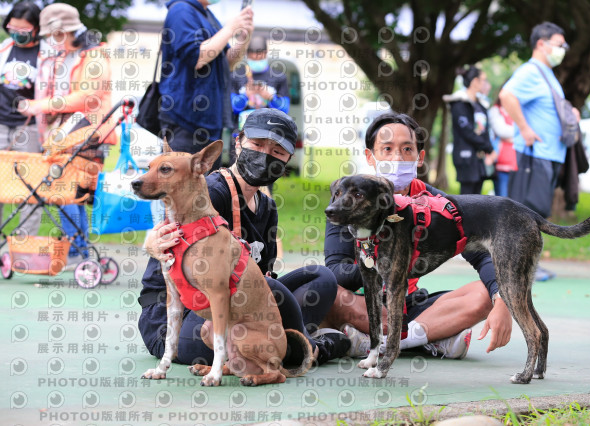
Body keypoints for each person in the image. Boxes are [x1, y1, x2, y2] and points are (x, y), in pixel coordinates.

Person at [139, 109, 350, 367]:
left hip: (232, 312)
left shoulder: (267, 207)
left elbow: (260, 282)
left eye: (277, 151)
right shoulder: (212, 194)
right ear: (238, 143)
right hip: (177, 320)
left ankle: (284, 341)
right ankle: (310, 347)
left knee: (321, 277)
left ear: (287, 160)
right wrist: (151, 242)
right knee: (265, 287)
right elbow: (163, 254)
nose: (264, 155)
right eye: (257, 144)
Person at [323, 112, 513, 359]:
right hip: (365, 304)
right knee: (328, 289)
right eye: (387, 149)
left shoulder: (436, 203)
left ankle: (393, 342)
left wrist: (502, 299)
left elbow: (481, 255)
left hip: (411, 305)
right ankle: (429, 338)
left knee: (484, 293)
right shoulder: (345, 198)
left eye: (407, 149)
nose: (397, 158)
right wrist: (388, 268)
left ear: (420, 157)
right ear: (370, 156)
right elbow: (336, 269)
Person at [19, 3, 116, 263]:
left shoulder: (95, 55)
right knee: (69, 194)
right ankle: (79, 251)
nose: (51, 41)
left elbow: (87, 95)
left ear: (68, 32)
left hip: (90, 134)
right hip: (69, 135)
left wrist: (40, 105)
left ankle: (76, 251)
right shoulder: (65, 56)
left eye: (54, 35)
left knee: (67, 192)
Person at [499, 21, 575, 281]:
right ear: (541, 44)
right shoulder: (531, 71)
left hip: (549, 154)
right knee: (526, 213)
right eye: (559, 44)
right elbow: (507, 95)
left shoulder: (546, 73)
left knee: (537, 212)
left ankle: (527, 265)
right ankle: (518, 268)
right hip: (536, 153)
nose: (563, 49)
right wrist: (525, 129)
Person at [158, 0, 253, 166]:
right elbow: (198, 57)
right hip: (185, 120)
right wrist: (230, 28)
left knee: (206, 188)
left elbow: (228, 62)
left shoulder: (206, 15)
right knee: (179, 186)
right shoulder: (182, 10)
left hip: (209, 123)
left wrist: (244, 37)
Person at [0, 1, 43, 236]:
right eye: (12, 28)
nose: (17, 34)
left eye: (23, 31)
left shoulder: (47, 54)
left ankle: (24, 246)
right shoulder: (5, 48)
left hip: (30, 129)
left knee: (27, 188)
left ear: (37, 28)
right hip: (1, 123)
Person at [229, 35, 290, 165]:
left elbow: (285, 109)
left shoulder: (278, 77)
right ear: (247, 55)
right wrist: (246, 95)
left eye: (260, 56)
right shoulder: (236, 75)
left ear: (266, 54)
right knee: (238, 170)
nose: (257, 59)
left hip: (269, 135)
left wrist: (270, 97)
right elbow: (231, 107)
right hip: (240, 134)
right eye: (253, 56)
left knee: (265, 173)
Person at [444, 66, 496, 195]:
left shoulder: (480, 105)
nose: (485, 83)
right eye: (483, 80)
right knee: (467, 198)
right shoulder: (459, 103)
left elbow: (484, 130)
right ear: (474, 82)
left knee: (477, 197)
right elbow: (467, 131)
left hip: (479, 159)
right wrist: (489, 148)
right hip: (466, 157)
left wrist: (487, 150)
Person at [488, 84, 517, 197]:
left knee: (516, 202)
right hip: (501, 163)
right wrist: (520, 131)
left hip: (517, 164)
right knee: (502, 200)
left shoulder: (517, 111)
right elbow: (502, 131)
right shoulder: (496, 110)